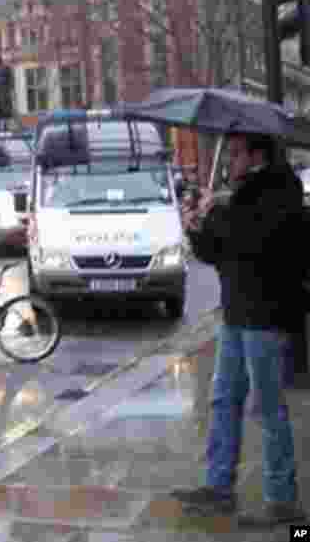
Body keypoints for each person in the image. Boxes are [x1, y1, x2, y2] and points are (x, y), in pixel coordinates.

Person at [171, 133, 306, 527]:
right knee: (223, 401)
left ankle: (283, 503)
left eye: (235, 154)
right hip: (234, 315)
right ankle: (219, 487)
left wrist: (219, 213)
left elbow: (253, 242)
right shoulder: (241, 193)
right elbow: (217, 252)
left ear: (256, 155)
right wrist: (196, 227)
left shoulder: (281, 190)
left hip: (265, 316)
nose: (229, 162)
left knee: (267, 409)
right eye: (228, 154)